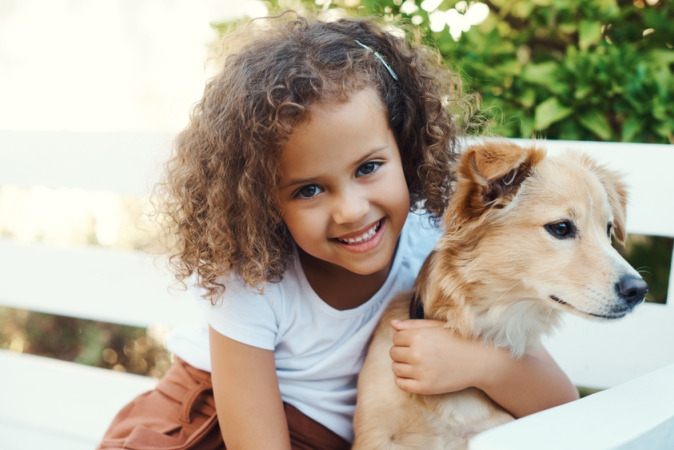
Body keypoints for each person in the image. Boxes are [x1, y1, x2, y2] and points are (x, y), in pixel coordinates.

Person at [97, 12, 579, 450]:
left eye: (369, 167)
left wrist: (483, 364)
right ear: (263, 200)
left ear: (406, 146)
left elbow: (562, 405)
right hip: (210, 426)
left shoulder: (439, 248)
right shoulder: (253, 280)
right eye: (308, 190)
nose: (350, 211)